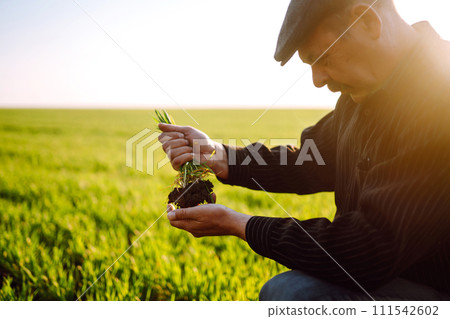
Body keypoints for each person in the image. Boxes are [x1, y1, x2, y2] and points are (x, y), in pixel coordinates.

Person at [158, 0, 450, 301]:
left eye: (321, 58)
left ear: (366, 21)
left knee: (292, 293)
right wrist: (220, 155)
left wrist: (238, 223)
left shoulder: (440, 95)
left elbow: (371, 247)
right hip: (387, 275)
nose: (318, 80)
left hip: (432, 285)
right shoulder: (363, 94)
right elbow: (309, 159)